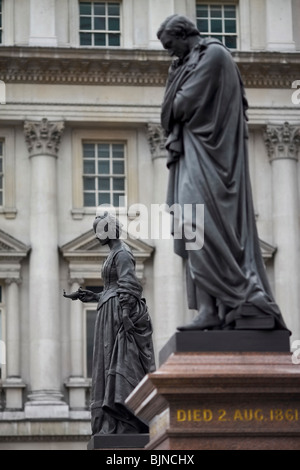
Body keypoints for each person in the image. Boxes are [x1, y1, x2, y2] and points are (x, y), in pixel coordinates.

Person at [157, 15, 288, 331]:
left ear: (185, 35)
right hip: (194, 152)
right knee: (190, 225)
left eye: (171, 46)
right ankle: (209, 309)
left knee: (195, 223)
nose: (170, 55)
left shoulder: (213, 54)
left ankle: (233, 298)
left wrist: (175, 86)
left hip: (215, 163)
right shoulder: (189, 60)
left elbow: (180, 106)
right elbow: (170, 111)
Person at [64, 212, 155, 434]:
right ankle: (108, 423)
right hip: (108, 310)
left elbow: (129, 285)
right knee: (104, 365)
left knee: (117, 362)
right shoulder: (112, 254)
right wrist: (91, 296)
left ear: (108, 230)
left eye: (98, 229)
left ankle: (122, 421)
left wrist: (124, 314)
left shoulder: (123, 253)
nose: (96, 235)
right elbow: (110, 289)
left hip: (116, 314)